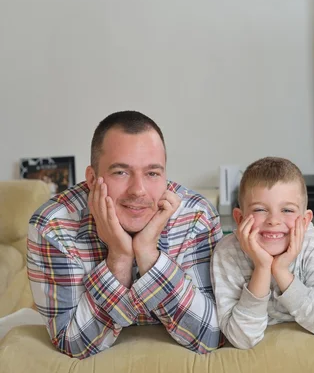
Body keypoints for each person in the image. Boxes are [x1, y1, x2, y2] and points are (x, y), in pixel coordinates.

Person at [27, 111, 223, 359]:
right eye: (121, 172)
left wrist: (148, 254)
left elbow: (211, 335)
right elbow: (72, 344)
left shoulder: (197, 216)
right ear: (91, 178)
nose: (138, 190)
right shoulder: (53, 227)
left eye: (152, 173)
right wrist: (119, 257)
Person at [211, 157, 314, 349]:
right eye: (260, 209)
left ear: (305, 221)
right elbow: (241, 339)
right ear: (239, 218)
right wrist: (262, 268)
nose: (273, 220)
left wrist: (281, 271)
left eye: (287, 209)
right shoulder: (227, 253)